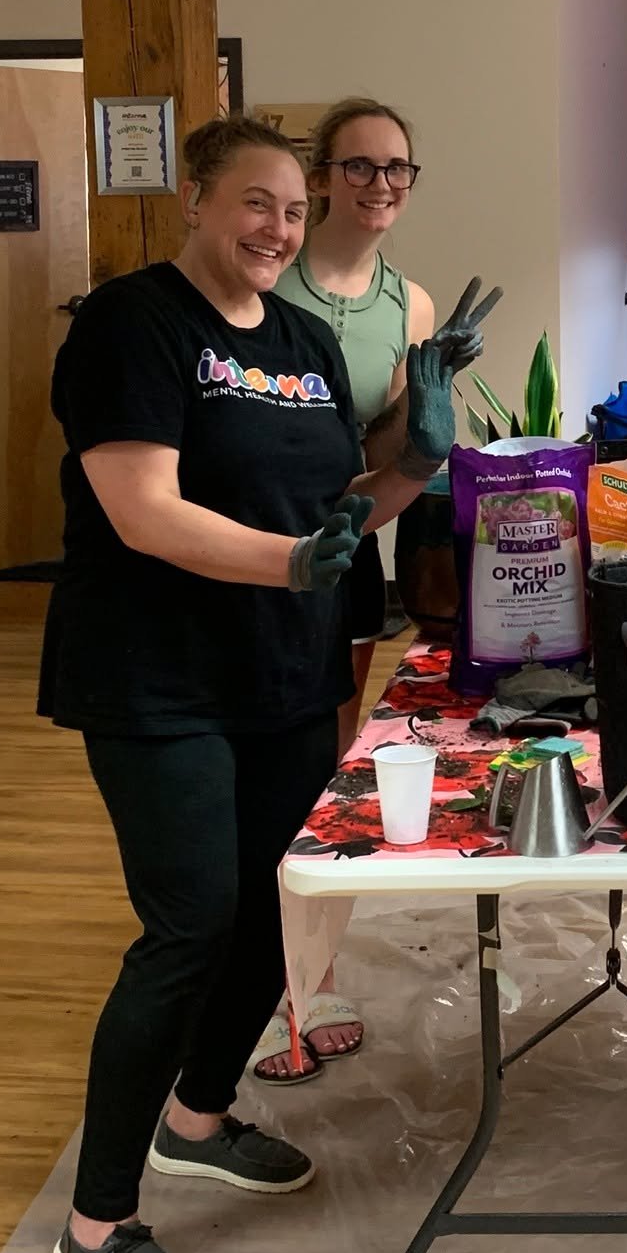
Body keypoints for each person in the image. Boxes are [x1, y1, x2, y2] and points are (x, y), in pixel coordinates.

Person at [40, 114, 496, 1253]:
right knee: (188, 923)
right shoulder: (130, 325)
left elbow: (335, 502)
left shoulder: (295, 339)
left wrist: (416, 452)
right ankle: (98, 1221)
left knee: (276, 905)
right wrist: (297, 561)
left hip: (281, 673)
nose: (276, 228)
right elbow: (144, 510)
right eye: (255, 202)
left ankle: (198, 1112)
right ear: (195, 197)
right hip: (156, 675)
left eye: (292, 211)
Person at [252, 96, 440, 1081]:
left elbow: (373, 455)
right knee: (253, 763)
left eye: (397, 168)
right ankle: (243, 960)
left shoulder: (407, 304)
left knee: (326, 765)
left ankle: (308, 982)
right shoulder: (262, 275)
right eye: (359, 166)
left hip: (341, 555)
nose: (379, 184)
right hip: (236, 550)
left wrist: (421, 423)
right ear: (319, 174)